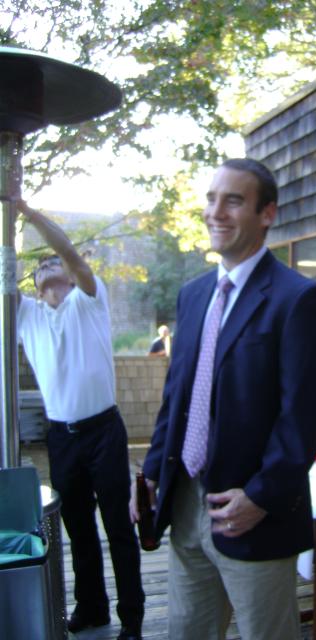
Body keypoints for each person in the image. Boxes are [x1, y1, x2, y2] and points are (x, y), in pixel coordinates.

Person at [130, 158, 316, 639]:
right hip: (185, 503)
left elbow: (303, 418)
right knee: (187, 632)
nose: (215, 212)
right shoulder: (193, 295)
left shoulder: (298, 298)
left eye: (234, 201)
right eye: (211, 199)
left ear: (267, 213)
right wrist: (155, 472)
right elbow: (177, 395)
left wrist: (260, 498)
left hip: (251, 515)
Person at [16, 201, 144, 640]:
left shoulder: (88, 300)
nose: (48, 265)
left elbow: (68, 252)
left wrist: (27, 212)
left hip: (104, 430)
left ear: (70, 277)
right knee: (78, 529)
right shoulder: (26, 315)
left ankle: (132, 619)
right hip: (62, 438)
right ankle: (92, 609)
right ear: (35, 288)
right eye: (40, 267)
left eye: (54, 263)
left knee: (118, 527)